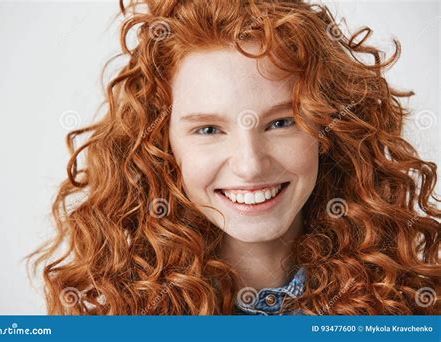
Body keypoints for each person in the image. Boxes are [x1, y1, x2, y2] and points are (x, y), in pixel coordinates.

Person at [27, 0, 440, 315]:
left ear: (327, 129)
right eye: (208, 130)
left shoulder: (413, 305)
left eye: (281, 123)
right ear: (161, 145)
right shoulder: (109, 318)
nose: (250, 164)